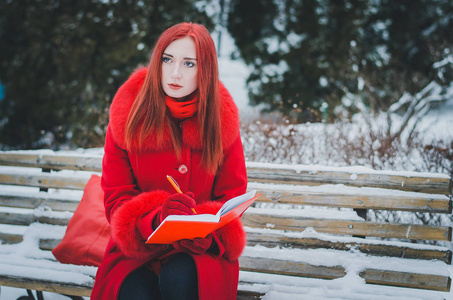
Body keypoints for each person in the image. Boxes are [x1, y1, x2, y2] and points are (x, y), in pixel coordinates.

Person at [90, 22, 248, 300]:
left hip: (202, 252)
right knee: (133, 290)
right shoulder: (127, 116)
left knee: (181, 276)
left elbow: (230, 198)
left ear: (205, 70)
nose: (175, 73)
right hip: (137, 250)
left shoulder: (222, 120)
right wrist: (156, 218)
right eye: (167, 60)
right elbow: (116, 198)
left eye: (189, 64)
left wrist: (207, 232)